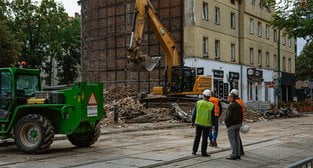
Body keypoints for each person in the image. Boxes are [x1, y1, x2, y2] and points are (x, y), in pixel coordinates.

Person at [192, 89, 215, 157]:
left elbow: (194, 113)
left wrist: (192, 121)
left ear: (203, 95)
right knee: (205, 139)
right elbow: (212, 116)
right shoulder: (211, 105)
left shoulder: (198, 103)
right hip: (206, 124)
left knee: (197, 137)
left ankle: (194, 151)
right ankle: (203, 152)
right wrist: (213, 125)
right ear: (209, 97)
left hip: (198, 123)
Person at [225, 93, 243, 160]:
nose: (228, 98)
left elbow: (228, 116)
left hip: (231, 125)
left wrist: (227, 124)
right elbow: (241, 115)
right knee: (237, 139)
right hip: (238, 124)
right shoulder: (239, 105)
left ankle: (234, 155)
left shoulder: (230, 106)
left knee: (232, 140)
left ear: (232, 98)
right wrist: (240, 123)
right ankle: (238, 154)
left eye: (229, 97)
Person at [230, 89, 246, 156]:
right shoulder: (241, 101)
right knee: (237, 137)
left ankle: (238, 152)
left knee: (236, 138)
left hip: (236, 121)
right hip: (241, 120)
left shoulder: (236, 102)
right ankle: (240, 151)